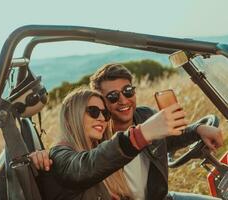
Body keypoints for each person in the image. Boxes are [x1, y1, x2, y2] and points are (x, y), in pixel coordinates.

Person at [88, 63, 223, 200]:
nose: (123, 100)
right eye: (113, 96)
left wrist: (198, 129)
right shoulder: (96, 138)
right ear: (101, 103)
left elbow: (167, 140)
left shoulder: (146, 115)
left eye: (128, 91)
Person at [33, 87, 190, 200]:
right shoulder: (58, 157)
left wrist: (198, 130)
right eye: (93, 111)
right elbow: (85, 167)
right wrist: (143, 133)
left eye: (105, 113)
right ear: (70, 116)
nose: (101, 118)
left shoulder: (97, 154)